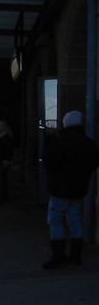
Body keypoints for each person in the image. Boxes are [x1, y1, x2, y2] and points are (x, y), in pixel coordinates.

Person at [42, 110, 99, 269]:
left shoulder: (58, 141)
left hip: (59, 188)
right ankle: (75, 255)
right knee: (75, 220)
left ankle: (58, 255)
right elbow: (93, 163)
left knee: (56, 220)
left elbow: (49, 162)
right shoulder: (88, 143)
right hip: (79, 188)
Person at [0, 119, 14, 202]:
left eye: (1, 125)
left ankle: (3, 196)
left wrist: (7, 159)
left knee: (2, 179)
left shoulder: (6, 138)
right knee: (1, 178)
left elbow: (8, 150)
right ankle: (0, 195)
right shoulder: (0, 136)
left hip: (3, 160)